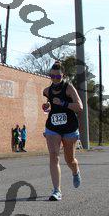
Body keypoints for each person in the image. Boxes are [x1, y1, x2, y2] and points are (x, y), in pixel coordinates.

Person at [42, 61, 84, 201]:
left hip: (69, 128)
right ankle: (57, 190)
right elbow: (50, 106)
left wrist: (64, 103)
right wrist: (47, 107)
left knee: (69, 159)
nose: (55, 79)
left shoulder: (68, 88)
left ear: (63, 76)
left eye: (58, 77)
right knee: (54, 156)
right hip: (53, 127)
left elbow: (79, 107)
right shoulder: (47, 91)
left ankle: (75, 171)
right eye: (52, 76)